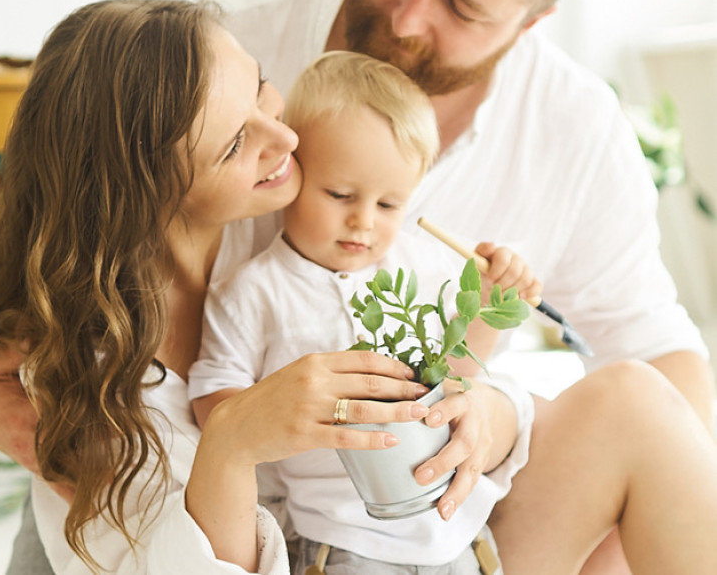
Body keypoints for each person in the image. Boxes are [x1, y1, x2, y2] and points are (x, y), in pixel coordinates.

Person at [0, 0, 717, 575]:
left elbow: (460, 371)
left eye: (265, 87)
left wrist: (492, 412)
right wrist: (236, 440)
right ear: (147, 188)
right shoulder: (96, 381)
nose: (290, 137)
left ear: (535, 14)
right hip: (318, 556)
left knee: (636, 399)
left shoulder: (309, 224)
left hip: (427, 534)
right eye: (239, 139)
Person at [188, 50, 542, 572]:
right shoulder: (253, 290)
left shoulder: (423, 267)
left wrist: (490, 305)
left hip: (452, 529)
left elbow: (458, 378)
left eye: (388, 205)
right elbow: (216, 406)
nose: (362, 222)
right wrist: (270, 412)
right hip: (341, 536)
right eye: (339, 194)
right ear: (294, 170)